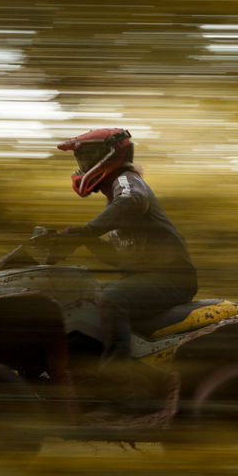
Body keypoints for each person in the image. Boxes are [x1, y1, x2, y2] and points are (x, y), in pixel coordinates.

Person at [55, 128, 198, 382]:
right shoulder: (115, 202)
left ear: (108, 156)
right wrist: (81, 239)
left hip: (172, 278)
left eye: (86, 159)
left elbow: (132, 203)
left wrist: (87, 231)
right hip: (149, 278)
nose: (82, 166)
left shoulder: (127, 182)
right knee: (81, 297)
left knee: (111, 299)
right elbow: (118, 259)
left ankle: (118, 382)